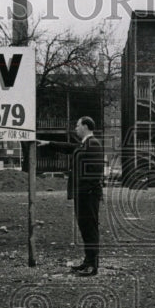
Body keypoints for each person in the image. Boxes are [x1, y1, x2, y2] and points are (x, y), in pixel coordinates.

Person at [38, 117, 104, 275]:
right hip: (83, 194)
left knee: (90, 228)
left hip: (87, 194)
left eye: (77, 125)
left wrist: (86, 190)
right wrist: (49, 143)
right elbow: (70, 147)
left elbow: (96, 170)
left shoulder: (93, 144)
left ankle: (92, 266)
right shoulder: (86, 144)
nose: (75, 128)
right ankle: (88, 262)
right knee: (85, 228)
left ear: (85, 126)